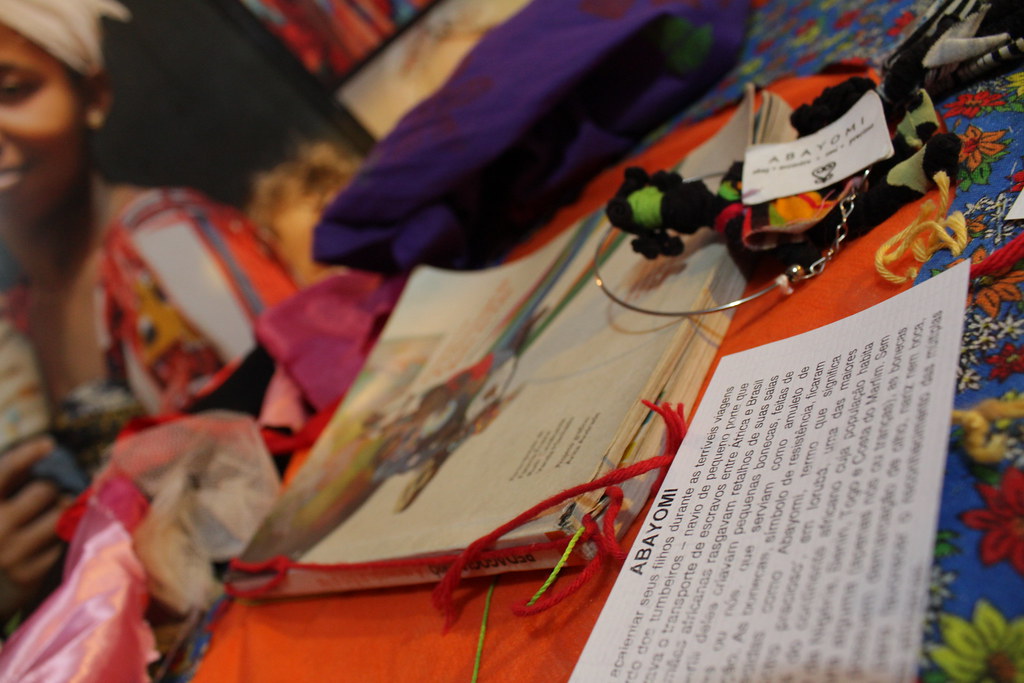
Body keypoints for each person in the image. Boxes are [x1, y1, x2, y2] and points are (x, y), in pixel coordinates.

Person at [0, 0, 298, 621]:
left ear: (94, 96)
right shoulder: (16, 324)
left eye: (12, 91)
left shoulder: (168, 246)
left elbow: (312, 455)